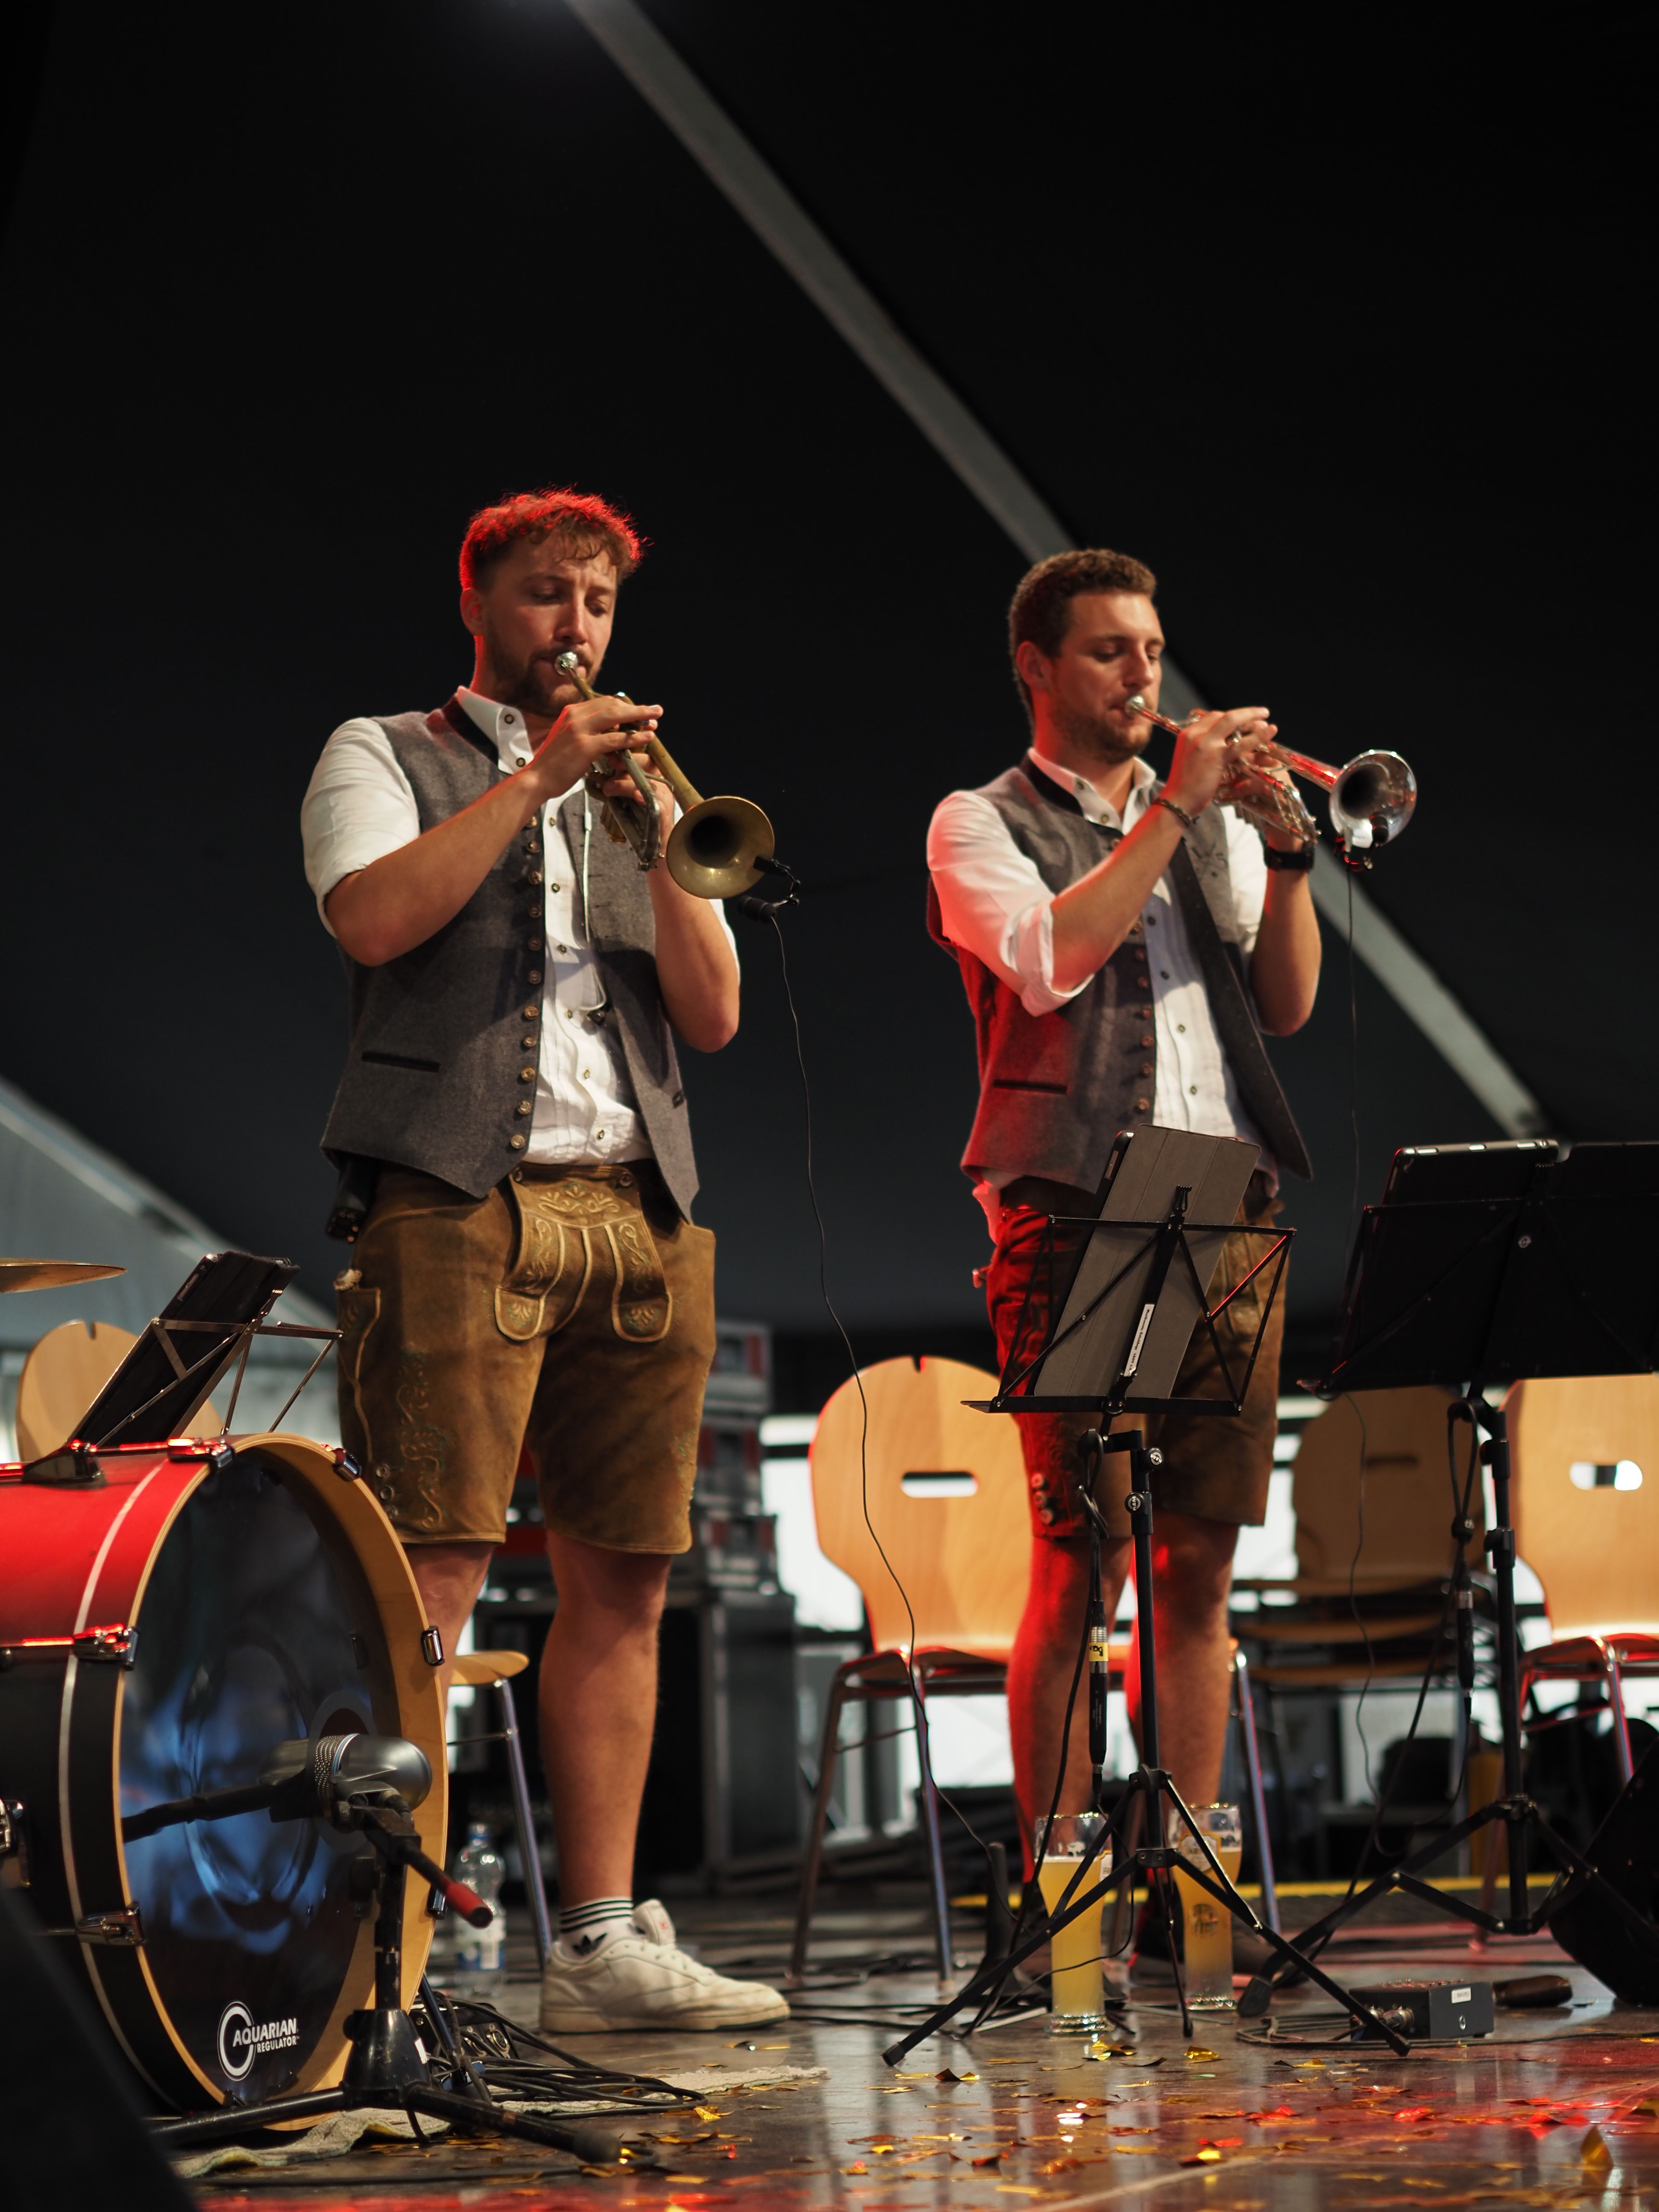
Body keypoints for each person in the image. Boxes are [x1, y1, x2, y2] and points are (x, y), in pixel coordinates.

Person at [301, 486, 786, 2033]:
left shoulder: (639, 791)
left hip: (641, 1204)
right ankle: (386, 1955)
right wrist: (535, 783)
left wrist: (656, 840)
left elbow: (712, 1016)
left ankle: (598, 1943)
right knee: (433, 1568)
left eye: (598, 602)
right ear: (476, 603)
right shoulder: (384, 751)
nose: (575, 627)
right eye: (544, 595)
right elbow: (372, 920)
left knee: (627, 1579)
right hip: (457, 1199)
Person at [926, 548, 1321, 1959]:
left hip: (1229, 1201)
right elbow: (1049, 961)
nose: (1142, 674)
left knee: (1199, 1566)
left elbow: (1283, 1004)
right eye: (1109, 651)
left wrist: (1284, 856)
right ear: (1037, 668)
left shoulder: (1200, 820)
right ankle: (1065, 1905)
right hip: (1079, 1207)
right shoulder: (977, 820)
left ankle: (1194, 1897)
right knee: (1081, 1560)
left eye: (1151, 649)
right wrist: (1176, 812)